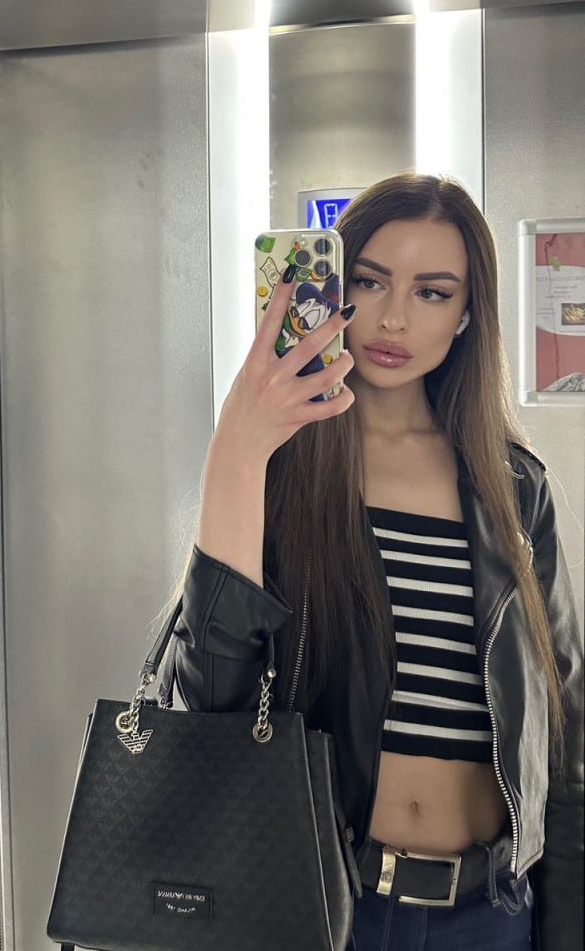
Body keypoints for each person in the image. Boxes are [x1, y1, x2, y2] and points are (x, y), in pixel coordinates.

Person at [166, 172, 583, 951]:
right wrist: (236, 452)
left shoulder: (515, 487)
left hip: (491, 914)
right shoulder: (283, 468)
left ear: (468, 314)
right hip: (322, 906)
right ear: (334, 287)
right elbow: (209, 704)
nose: (393, 317)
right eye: (368, 281)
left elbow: (566, 730)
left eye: (432, 293)